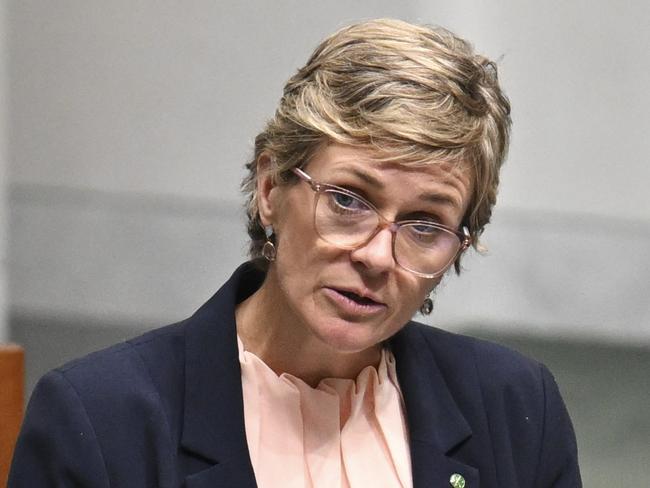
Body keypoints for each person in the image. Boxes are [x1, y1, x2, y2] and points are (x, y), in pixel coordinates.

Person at [9, 18, 581, 488]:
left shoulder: (515, 408)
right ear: (269, 189)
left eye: (424, 224)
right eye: (349, 200)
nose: (378, 256)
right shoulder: (99, 419)